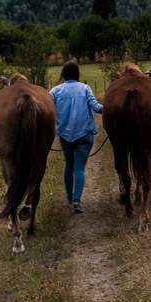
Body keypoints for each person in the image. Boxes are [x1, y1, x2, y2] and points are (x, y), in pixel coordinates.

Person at [49, 61, 103, 213]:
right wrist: (111, 109)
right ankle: (77, 202)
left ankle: (69, 198)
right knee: (80, 168)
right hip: (85, 135)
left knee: (69, 165)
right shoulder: (85, 88)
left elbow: (45, 105)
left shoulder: (56, 90)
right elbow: (97, 107)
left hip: (66, 136)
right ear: (77, 74)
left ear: (63, 74)